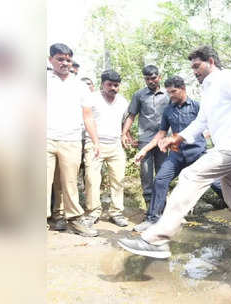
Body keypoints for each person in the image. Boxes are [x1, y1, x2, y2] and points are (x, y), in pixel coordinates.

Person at [117, 45, 231, 259]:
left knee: (191, 175)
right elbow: (201, 122)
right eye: (192, 67)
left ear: (211, 61)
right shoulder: (209, 89)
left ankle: (158, 240)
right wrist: (177, 137)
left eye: (197, 66)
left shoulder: (227, 77)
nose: (194, 71)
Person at [132, 76, 223, 232]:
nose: (171, 95)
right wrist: (144, 150)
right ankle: (153, 219)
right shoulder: (168, 110)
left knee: (217, 183)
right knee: (160, 180)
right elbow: (161, 134)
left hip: (197, 153)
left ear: (183, 89)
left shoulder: (197, 107)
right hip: (177, 155)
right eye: (168, 92)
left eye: (173, 91)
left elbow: (211, 126)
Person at [46, 43, 97, 237]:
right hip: (44, 139)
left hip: (71, 141)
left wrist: (96, 141)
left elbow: (88, 116)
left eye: (68, 59)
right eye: (60, 59)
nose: (65, 63)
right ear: (50, 60)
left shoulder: (80, 86)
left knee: (69, 183)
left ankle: (75, 220)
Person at [82, 69, 129, 228]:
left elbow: (125, 121)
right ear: (102, 84)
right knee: (92, 180)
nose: (113, 88)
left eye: (116, 85)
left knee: (118, 180)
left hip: (115, 145)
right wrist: (95, 142)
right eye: (110, 85)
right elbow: (88, 120)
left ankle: (116, 212)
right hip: (95, 144)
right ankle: (93, 212)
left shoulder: (122, 101)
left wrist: (125, 135)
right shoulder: (91, 98)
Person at [122, 65, 169, 207]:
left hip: (164, 140)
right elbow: (131, 115)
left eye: (153, 78)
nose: (150, 81)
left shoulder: (168, 94)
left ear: (159, 77)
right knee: (146, 173)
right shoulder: (139, 95)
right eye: (147, 79)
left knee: (163, 172)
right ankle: (149, 207)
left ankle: (162, 206)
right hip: (145, 140)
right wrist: (124, 133)